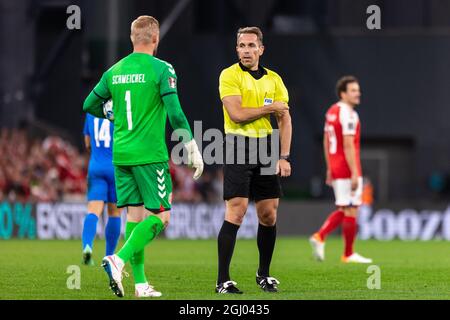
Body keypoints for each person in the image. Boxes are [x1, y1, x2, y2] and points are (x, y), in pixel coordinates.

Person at [83, 15, 203, 298]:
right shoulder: (162, 69)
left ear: (132, 38)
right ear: (156, 39)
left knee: (134, 218)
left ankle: (140, 284)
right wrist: (191, 146)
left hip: (121, 156)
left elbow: (89, 104)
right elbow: (175, 112)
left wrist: (109, 112)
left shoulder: (114, 71)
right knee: (162, 216)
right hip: (150, 156)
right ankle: (118, 258)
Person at [216, 27, 292, 294]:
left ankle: (264, 274)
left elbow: (285, 119)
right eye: (241, 45)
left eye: (251, 45)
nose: (246, 50)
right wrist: (269, 108)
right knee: (236, 211)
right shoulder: (229, 75)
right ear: (236, 49)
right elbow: (236, 114)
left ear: (261, 49)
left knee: (269, 214)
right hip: (237, 144)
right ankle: (222, 280)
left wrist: (283, 156)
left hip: (268, 147)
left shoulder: (274, 80)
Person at [310, 76, 372, 264]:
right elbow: (347, 144)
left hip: (336, 165)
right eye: (353, 90)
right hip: (347, 166)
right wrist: (354, 172)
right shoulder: (349, 114)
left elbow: (326, 140)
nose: (357, 93)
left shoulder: (332, 111)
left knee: (345, 207)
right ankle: (346, 252)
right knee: (351, 208)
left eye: (357, 89)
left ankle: (323, 238)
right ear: (343, 93)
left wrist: (329, 167)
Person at [81, 114, 121, 266]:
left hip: (96, 167)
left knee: (93, 210)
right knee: (114, 212)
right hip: (115, 167)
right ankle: (109, 257)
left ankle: (87, 246)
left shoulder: (91, 112)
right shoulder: (119, 108)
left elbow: (87, 143)